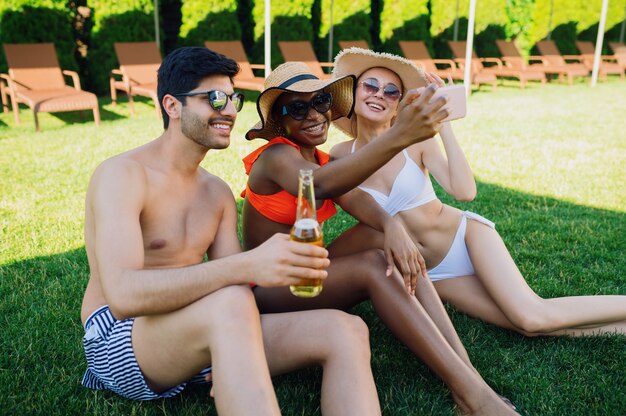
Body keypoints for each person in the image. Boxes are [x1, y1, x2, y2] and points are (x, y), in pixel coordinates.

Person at [80, 46, 382, 416]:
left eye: (233, 99)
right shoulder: (122, 175)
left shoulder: (216, 193)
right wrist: (249, 265)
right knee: (231, 301)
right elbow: (124, 295)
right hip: (122, 338)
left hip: (208, 323)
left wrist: (235, 332)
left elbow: (237, 292)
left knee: (346, 330)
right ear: (173, 106)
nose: (227, 110)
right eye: (214, 98)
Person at [241, 61, 518, 415]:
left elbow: (354, 196)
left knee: (376, 235)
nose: (314, 114)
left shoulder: (315, 156)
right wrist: (398, 135)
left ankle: (466, 369)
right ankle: (471, 395)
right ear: (280, 119)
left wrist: (391, 226)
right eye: (298, 107)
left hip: (301, 271)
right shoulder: (278, 156)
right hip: (269, 287)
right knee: (374, 266)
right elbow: (321, 185)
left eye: (321, 102)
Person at [329, 47, 626, 337]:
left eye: (391, 91)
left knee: (534, 316)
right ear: (354, 94)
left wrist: (443, 125)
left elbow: (464, 191)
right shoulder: (340, 158)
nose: (379, 93)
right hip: (434, 273)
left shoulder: (415, 142)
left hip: (464, 237)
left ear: (398, 106)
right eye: (370, 85)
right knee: (529, 328)